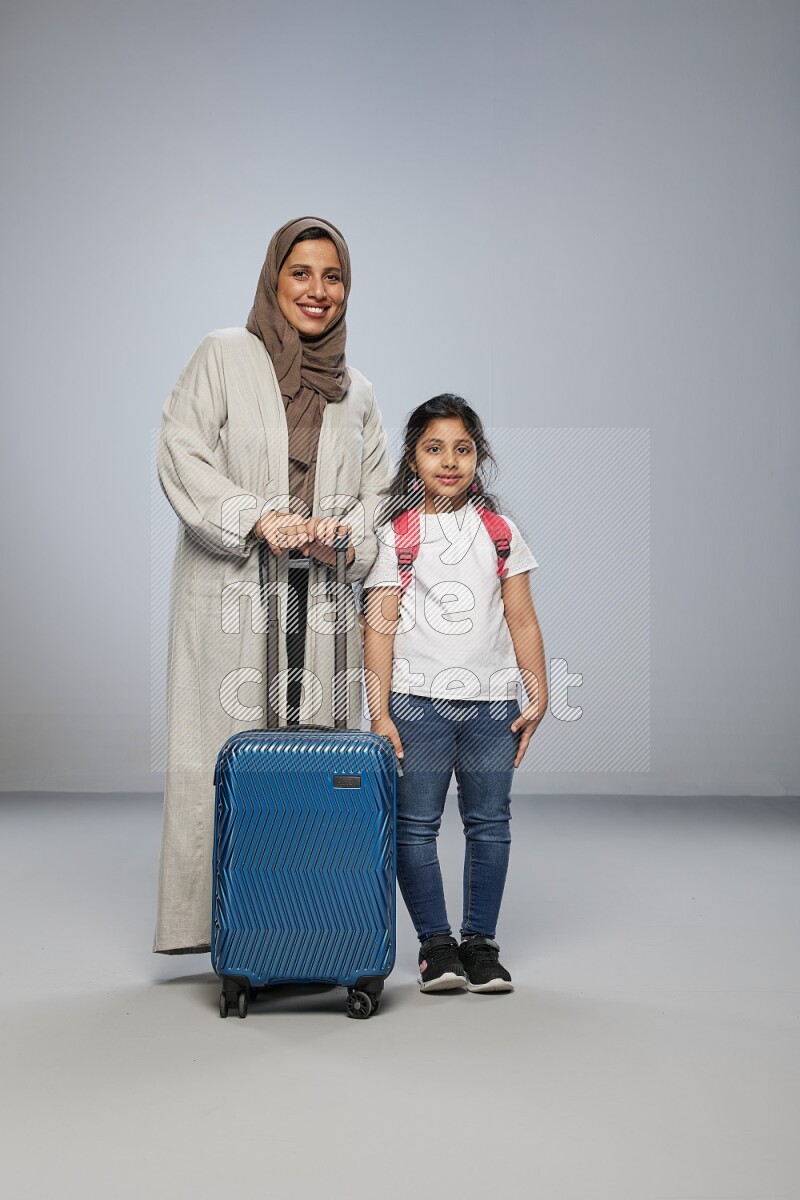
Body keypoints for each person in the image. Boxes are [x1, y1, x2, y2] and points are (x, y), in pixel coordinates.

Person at [154, 216, 391, 955]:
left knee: (316, 762)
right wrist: (257, 518)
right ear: (273, 278)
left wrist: (339, 535)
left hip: (318, 598)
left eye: (332, 276)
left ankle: (307, 924)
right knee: (218, 752)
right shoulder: (223, 355)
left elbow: (382, 496)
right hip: (230, 587)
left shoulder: (359, 393)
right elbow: (181, 449)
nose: (317, 291)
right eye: (301, 273)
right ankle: (219, 928)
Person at [362, 395, 547, 993]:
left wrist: (536, 694)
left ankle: (481, 945)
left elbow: (521, 617)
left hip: (494, 707)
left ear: (479, 457)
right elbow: (380, 623)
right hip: (417, 704)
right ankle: (436, 946)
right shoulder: (397, 534)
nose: (449, 461)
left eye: (462, 449)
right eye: (434, 449)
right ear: (413, 459)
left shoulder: (500, 531)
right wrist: (380, 711)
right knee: (414, 826)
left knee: (489, 823)